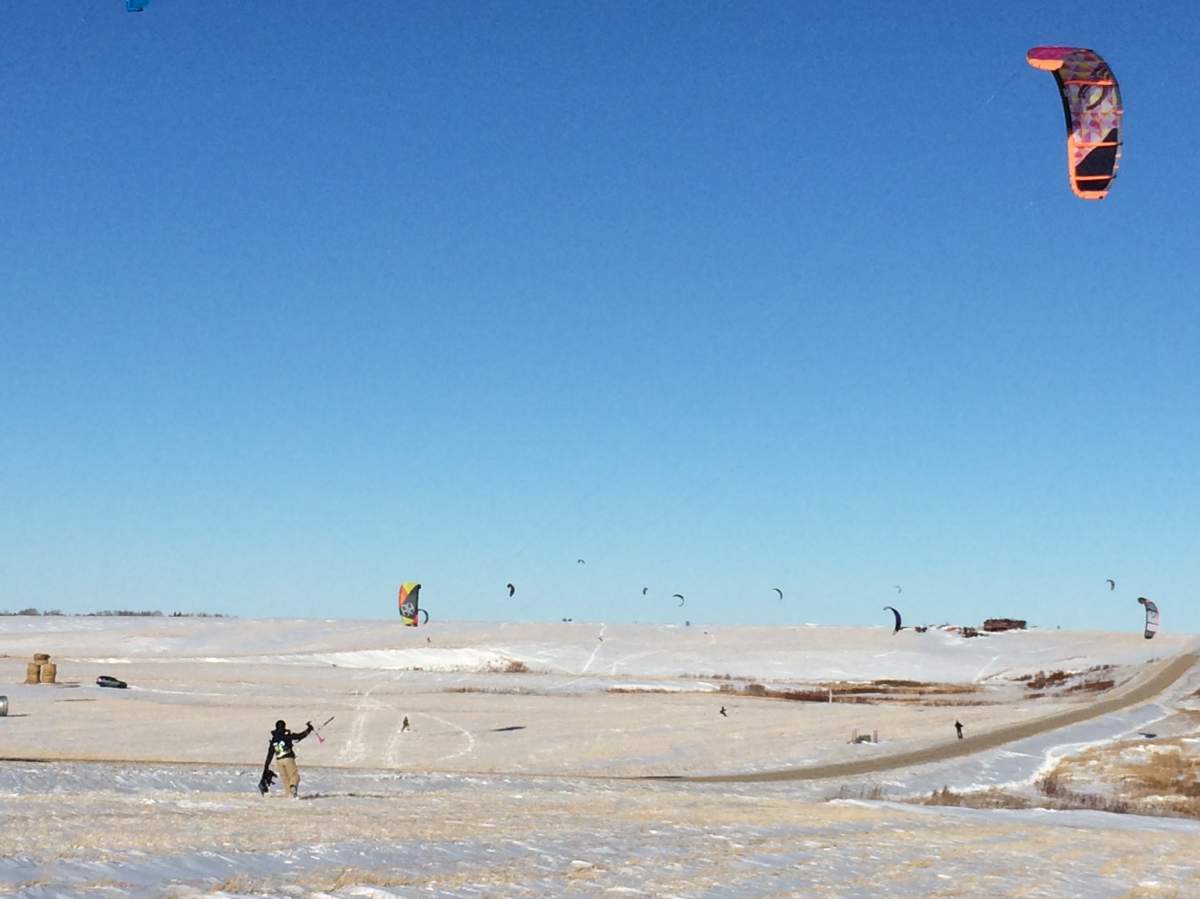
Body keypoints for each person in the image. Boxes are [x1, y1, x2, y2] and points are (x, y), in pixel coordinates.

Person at [269, 719, 313, 798]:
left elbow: (270, 753)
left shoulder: (274, 739)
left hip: (279, 761)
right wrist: (309, 729)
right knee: (294, 777)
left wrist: (266, 765)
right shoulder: (287, 736)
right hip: (288, 759)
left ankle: (289, 795)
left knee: (285, 779)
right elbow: (300, 736)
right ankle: (293, 788)